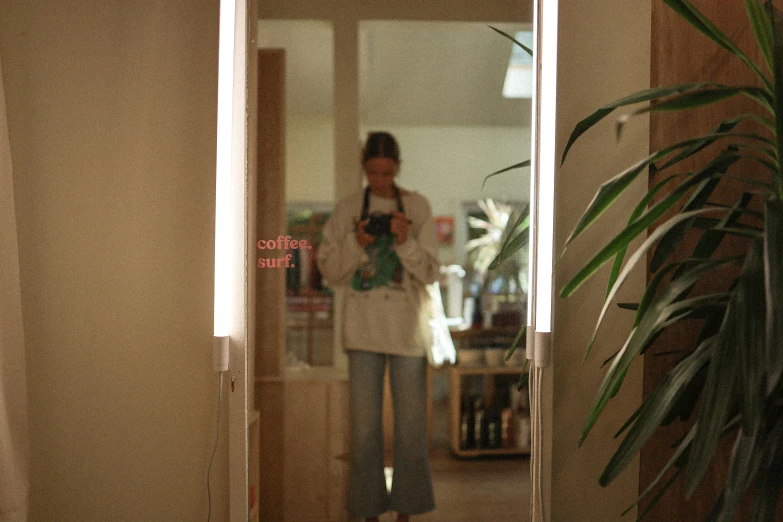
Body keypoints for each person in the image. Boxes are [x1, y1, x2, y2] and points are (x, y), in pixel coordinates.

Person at [317, 132, 440, 522]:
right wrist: (356, 241)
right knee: (365, 432)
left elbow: (433, 273)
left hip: (408, 333)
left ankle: (408, 508)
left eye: (387, 173)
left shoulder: (417, 206)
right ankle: (367, 509)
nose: (381, 181)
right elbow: (329, 272)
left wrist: (405, 242)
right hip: (362, 332)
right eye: (373, 173)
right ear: (364, 169)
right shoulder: (348, 208)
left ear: (398, 168)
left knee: (410, 430)